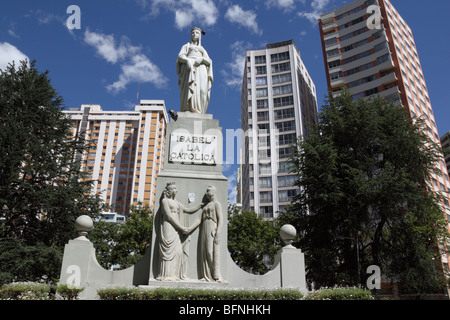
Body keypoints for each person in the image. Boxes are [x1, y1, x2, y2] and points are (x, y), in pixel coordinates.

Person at [158, 182, 203, 281]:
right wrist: (181, 227)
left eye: (176, 188)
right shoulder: (165, 201)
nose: (176, 190)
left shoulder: (176, 202)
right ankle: (167, 275)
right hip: (169, 226)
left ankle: (174, 275)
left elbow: (188, 210)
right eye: (174, 189)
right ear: (169, 191)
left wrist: (200, 206)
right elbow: (169, 216)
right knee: (169, 251)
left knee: (178, 251)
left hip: (176, 227)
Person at [176, 27, 213, 114]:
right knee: (189, 88)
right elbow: (180, 56)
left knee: (202, 90)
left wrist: (201, 60)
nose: (194, 34)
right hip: (189, 69)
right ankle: (187, 108)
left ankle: (199, 110)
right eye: (193, 33)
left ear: (200, 36)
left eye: (197, 33)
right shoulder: (186, 46)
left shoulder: (203, 49)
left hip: (201, 69)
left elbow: (209, 61)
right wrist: (187, 60)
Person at [195, 185, 224, 282]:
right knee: (204, 252)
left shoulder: (216, 204)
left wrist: (218, 233)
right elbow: (199, 219)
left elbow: (221, 219)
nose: (207, 193)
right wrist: (189, 228)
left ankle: (217, 275)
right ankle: (206, 275)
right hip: (204, 227)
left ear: (212, 192)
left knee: (210, 251)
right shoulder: (206, 206)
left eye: (208, 191)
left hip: (212, 226)